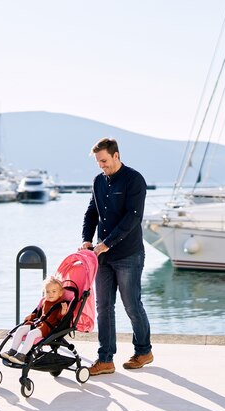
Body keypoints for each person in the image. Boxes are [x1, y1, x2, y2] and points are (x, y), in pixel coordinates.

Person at [80, 137, 153, 376]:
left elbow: (132, 218)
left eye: (104, 161)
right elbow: (92, 212)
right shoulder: (98, 181)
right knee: (104, 307)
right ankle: (105, 358)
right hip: (101, 256)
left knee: (131, 304)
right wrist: (87, 240)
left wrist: (107, 244)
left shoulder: (134, 179)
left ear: (116, 156)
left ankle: (143, 351)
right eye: (98, 162)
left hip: (128, 254)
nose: (101, 165)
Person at [1, 276, 68, 365]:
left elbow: (60, 318)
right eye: (47, 292)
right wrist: (31, 316)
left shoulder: (61, 304)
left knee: (31, 334)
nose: (50, 294)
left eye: (54, 291)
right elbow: (39, 313)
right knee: (20, 329)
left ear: (60, 293)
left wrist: (63, 311)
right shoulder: (45, 301)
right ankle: (12, 351)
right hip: (38, 324)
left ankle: (22, 356)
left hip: (47, 328)